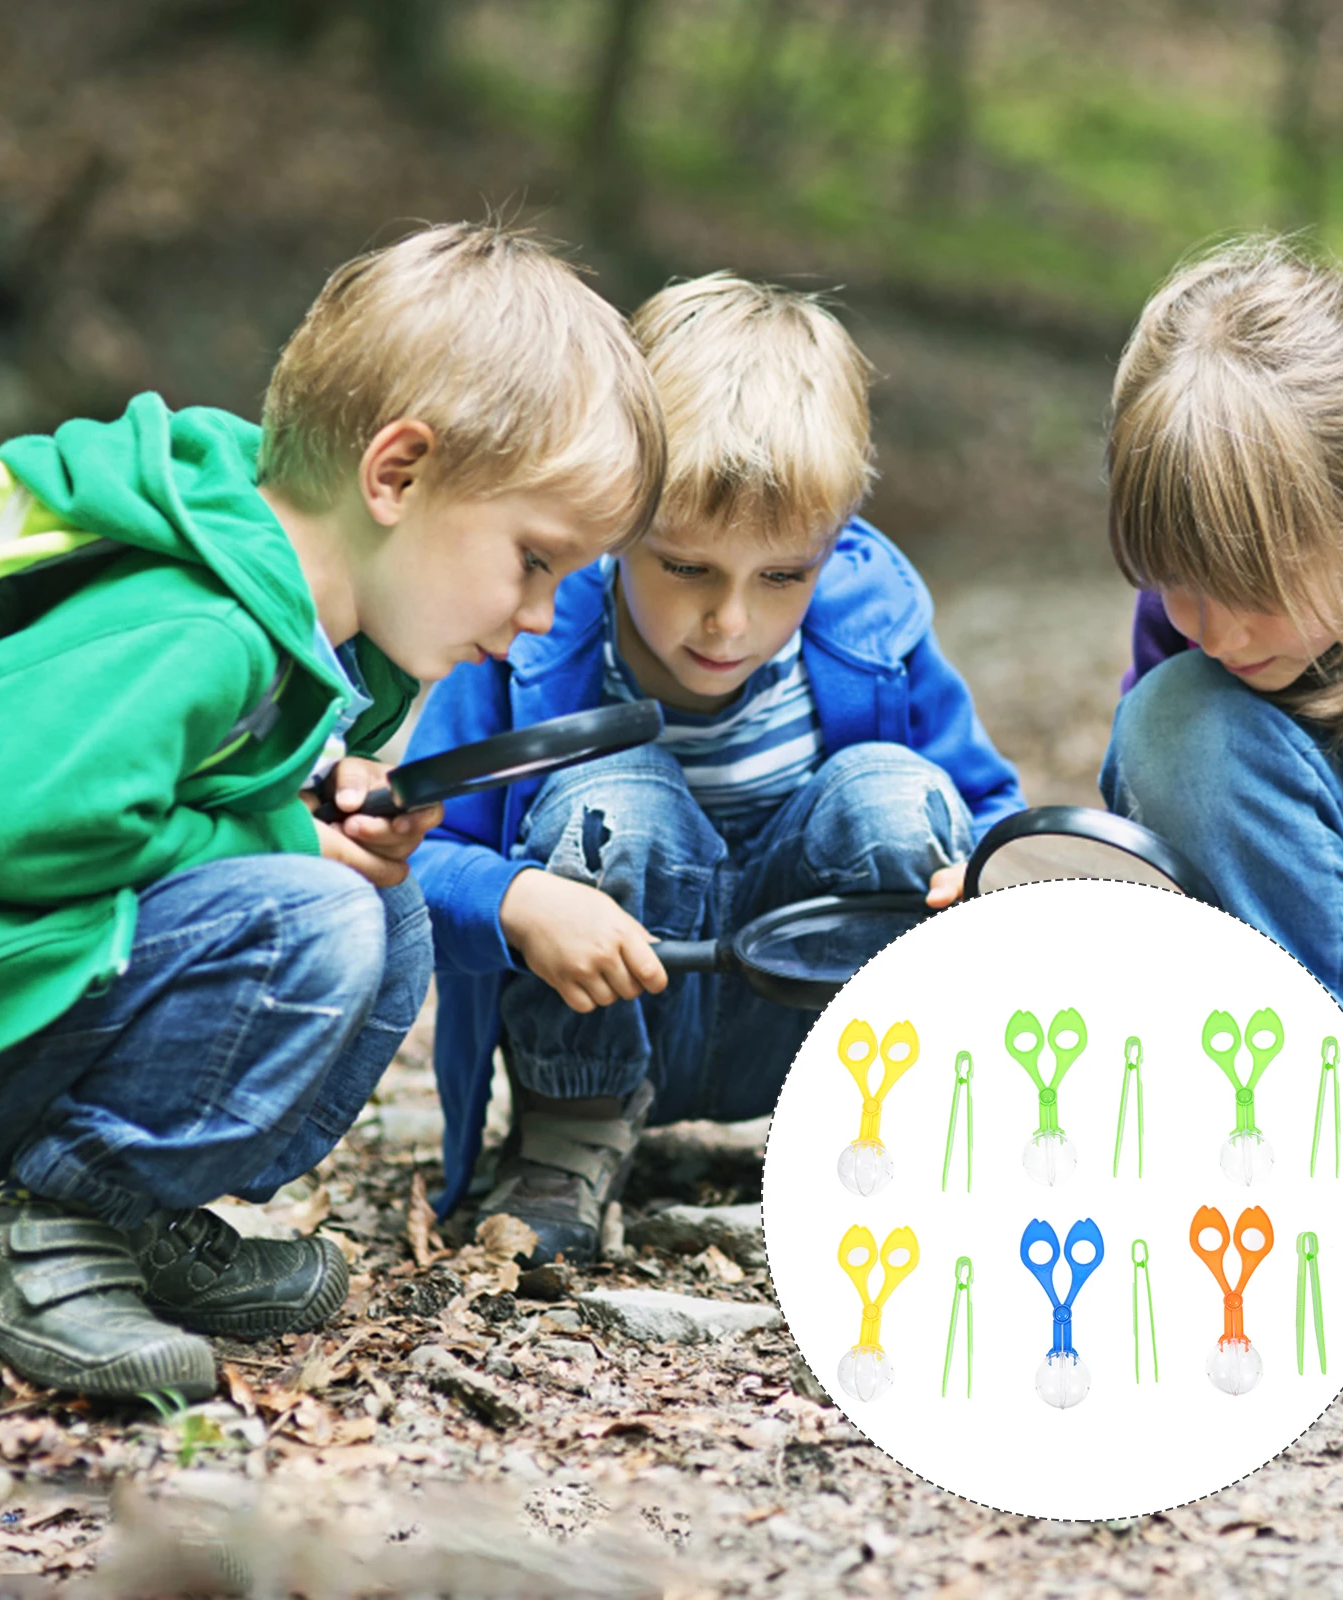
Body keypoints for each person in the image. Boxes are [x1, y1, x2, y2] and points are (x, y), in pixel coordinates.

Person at [0, 222, 664, 1396]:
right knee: (318, 917)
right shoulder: (195, 622)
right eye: (533, 559)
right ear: (395, 474)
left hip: (2, 1009)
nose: (544, 613)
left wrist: (302, 805)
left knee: (379, 909)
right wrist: (281, 836)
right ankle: (31, 1231)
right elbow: (26, 829)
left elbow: (172, 806)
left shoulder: (281, 623)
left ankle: (114, 1217)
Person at [411, 273, 1024, 1262]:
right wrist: (520, 899)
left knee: (893, 791)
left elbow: (990, 809)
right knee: (616, 793)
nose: (730, 621)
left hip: (800, 1026)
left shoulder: (871, 631)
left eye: (782, 574)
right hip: (603, 1012)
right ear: (614, 524)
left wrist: (985, 875)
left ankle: (877, 1127)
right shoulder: (533, 641)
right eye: (685, 566)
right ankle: (571, 1140)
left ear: (831, 545)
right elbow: (417, 861)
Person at [1098, 236, 1343, 1292]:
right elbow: (1186, 839)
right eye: (1177, 582)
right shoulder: (1216, 558)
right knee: (1179, 721)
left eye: (1251, 588)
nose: (1212, 628)